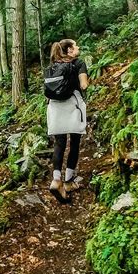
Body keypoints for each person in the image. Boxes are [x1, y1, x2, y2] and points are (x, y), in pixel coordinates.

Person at [45, 39, 89, 203]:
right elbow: (83, 85)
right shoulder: (78, 64)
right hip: (73, 106)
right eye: (75, 46)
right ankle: (69, 181)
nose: (78, 47)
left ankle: (56, 180)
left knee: (59, 143)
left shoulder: (52, 67)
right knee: (75, 142)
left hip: (55, 108)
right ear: (70, 50)